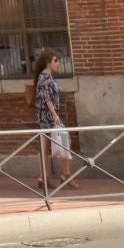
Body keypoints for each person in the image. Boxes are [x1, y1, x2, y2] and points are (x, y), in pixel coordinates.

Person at [28, 49, 71, 188]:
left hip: (46, 115)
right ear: (48, 63)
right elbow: (46, 97)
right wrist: (54, 114)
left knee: (46, 146)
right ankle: (64, 174)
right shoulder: (44, 77)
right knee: (63, 139)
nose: (58, 63)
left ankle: (44, 177)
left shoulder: (47, 77)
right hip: (47, 116)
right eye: (55, 61)